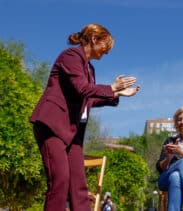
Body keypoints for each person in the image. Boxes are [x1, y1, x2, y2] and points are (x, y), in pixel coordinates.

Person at [30, 23, 140, 211]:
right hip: (53, 125)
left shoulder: (91, 69)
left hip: (73, 132)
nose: (106, 53)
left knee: (78, 184)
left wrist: (117, 94)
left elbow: (88, 99)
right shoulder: (71, 56)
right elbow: (82, 88)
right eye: (105, 47)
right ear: (94, 39)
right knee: (60, 180)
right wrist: (112, 88)